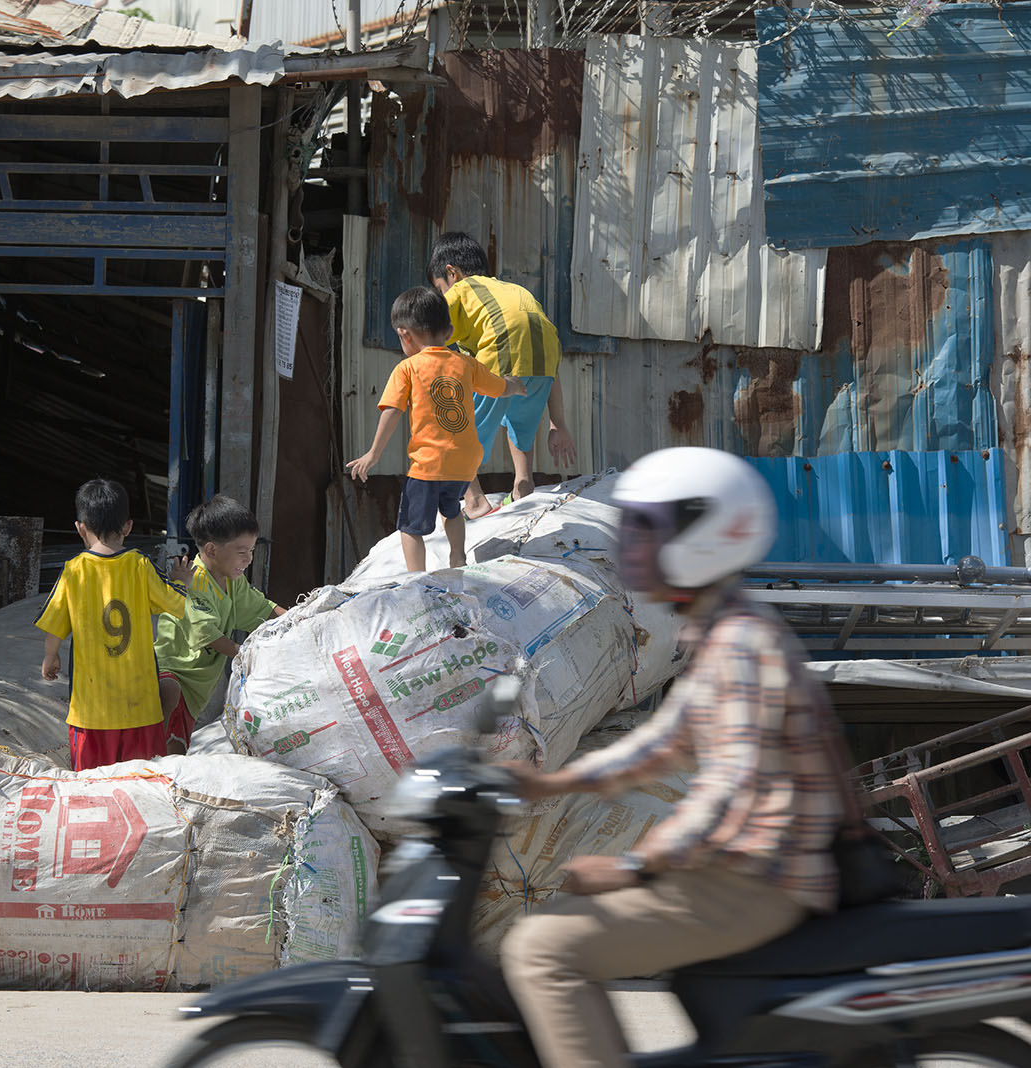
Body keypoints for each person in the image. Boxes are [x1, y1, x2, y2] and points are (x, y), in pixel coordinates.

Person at [498, 447, 844, 1068]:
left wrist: (634, 865)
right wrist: (551, 785)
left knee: (543, 948)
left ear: (701, 537)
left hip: (755, 879)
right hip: (747, 870)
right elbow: (664, 745)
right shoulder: (718, 628)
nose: (630, 546)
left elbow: (728, 788)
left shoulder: (739, 644)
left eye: (645, 530)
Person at [348, 286, 525, 572]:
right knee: (453, 509)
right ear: (449, 330)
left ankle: (416, 577)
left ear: (404, 335)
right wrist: (515, 385)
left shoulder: (407, 368)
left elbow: (392, 411)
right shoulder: (465, 363)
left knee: (410, 527)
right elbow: (498, 388)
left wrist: (373, 453)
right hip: (465, 462)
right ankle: (458, 558)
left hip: (429, 464)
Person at [36, 478, 190, 772]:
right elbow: (176, 604)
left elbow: (55, 624)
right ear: (128, 527)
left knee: (92, 790)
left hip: (91, 714)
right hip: (141, 710)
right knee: (142, 785)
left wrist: (50, 655)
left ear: (80, 528)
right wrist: (182, 582)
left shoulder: (73, 571)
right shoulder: (140, 565)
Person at [427, 231, 577, 519]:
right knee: (518, 418)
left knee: (453, 425)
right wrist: (557, 423)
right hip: (544, 362)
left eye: (439, 287)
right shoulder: (513, 291)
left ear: (451, 273)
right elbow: (549, 366)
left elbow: (432, 330)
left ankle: (474, 502)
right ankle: (524, 484)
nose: (441, 294)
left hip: (503, 351)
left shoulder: (461, 290)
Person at [154, 495, 287, 755]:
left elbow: (263, 608)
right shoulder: (194, 580)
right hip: (176, 672)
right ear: (213, 550)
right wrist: (245, 653)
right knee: (167, 749)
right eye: (242, 552)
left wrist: (304, 618)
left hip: (197, 689)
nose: (248, 559)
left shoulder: (233, 581)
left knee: (177, 747)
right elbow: (207, 633)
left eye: (252, 551)